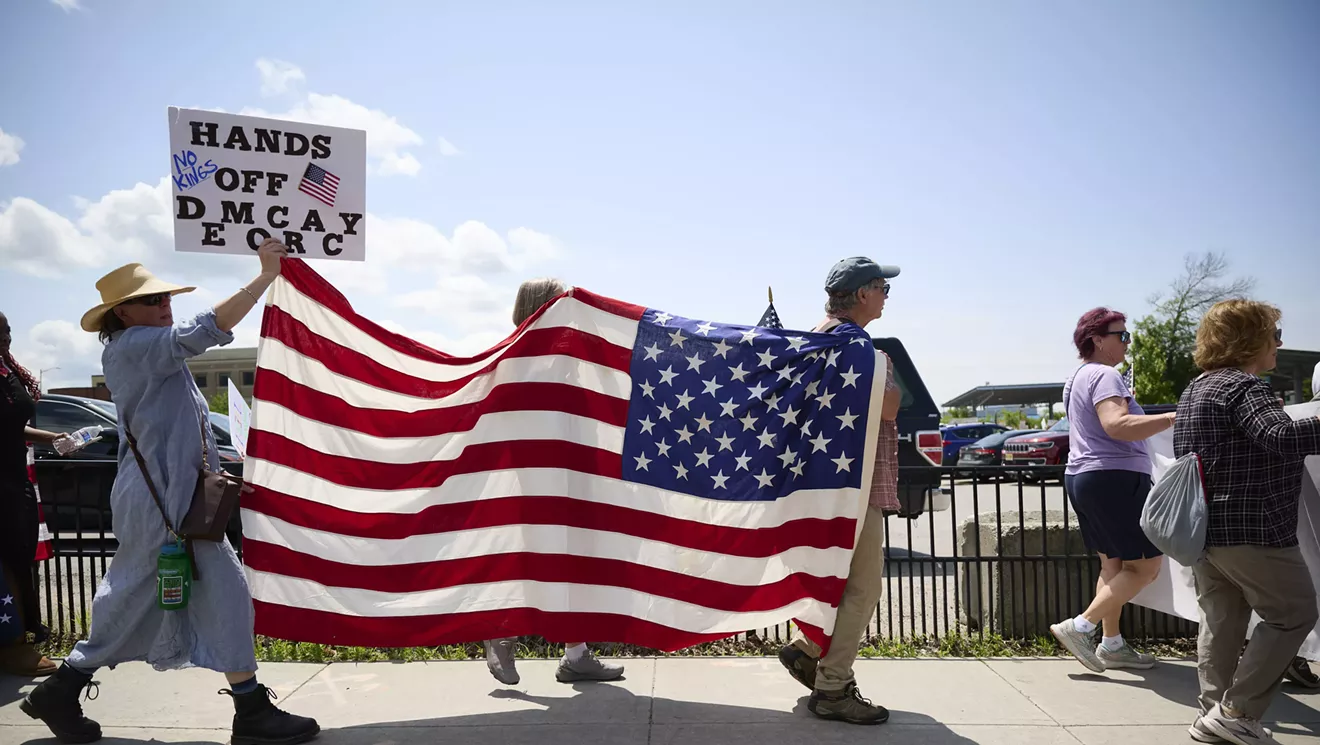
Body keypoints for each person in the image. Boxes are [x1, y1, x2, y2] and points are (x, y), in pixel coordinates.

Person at [21, 241, 321, 745]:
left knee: (164, 595)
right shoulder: (137, 345)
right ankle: (249, 712)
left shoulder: (143, 348)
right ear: (123, 313)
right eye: (153, 300)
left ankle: (65, 688)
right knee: (176, 594)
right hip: (163, 503)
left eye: (165, 298)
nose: (165, 305)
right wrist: (265, 275)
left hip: (168, 500)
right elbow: (208, 330)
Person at [1175, 300, 1320, 745]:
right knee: (1294, 614)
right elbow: (1282, 436)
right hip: (1253, 529)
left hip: (1204, 532)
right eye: (1273, 334)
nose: (1279, 343)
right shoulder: (1245, 387)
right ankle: (1236, 713)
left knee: (1221, 622)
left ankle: (1212, 716)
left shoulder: (1196, 389)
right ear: (1249, 339)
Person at [481, 277, 625, 686]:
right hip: (541, 482)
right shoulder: (524, 357)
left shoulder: (553, 355)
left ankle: (576, 654)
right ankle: (503, 633)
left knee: (572, 565)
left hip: (570, 476)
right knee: (541, 563)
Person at [777, 256, 901, 725]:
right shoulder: (860, 350)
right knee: (863, 588)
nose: (887, 296)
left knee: (831, 578)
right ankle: (832, 687)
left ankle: (809, 651)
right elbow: (889, 407)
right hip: (855, 487)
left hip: (816, 486)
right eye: (883, 289)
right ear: (864, 294)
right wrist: (888, 373)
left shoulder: (811, 340)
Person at [1049, 308, 1175, 672]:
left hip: (1083, 476)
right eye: (1122, 335)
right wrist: (1172, 417)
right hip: (1114, 477)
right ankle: (1081, 627)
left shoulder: (1078, 377)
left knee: (1113, 564)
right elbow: (1116, 425)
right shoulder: (1105, 374)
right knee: (1146, 566)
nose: (1126, 342)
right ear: (1097, 340)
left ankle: (1112, 643)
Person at [0, 313, 86, 677]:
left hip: (12, 478)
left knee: (20, 558)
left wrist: (54, 439)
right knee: (9, 561)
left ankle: (20, 639)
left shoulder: (8, 371)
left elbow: (13, 427)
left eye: (6, 329)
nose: (5, 336)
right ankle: (12, 646)